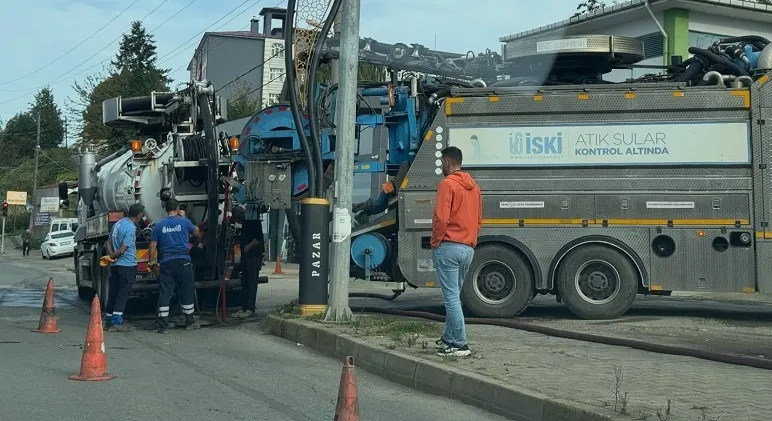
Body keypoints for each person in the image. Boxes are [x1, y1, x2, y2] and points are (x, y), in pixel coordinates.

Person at [430, 146, 482, 357]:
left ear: (446, 162)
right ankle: (448, 339)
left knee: (450, 297)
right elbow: (479, 220)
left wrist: (436, 241)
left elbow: (441, 218)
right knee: (455, 296)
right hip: (467, 248)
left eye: (441, 163)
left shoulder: (447, 184)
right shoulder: (475, 188)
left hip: (449, 247)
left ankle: (460, 344)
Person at [148, 199, 201, 333]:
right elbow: (197, 233)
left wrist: (152, 262)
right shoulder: (184, 221)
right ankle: (190, 321)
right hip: (183, 260)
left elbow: (153, 245)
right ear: (177, 208)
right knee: (186, 290)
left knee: (166, 292)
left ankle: (163, 325)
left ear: (166, 209)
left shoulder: (159, 225)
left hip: (166, 261)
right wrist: (185, 217)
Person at [103, 203, 145, 332]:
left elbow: (107, 242)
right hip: (127, 265)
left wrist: (110, 256)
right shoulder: (130, 228)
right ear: (138, 215)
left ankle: (108, 320)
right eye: (142, 214)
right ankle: (117, 321)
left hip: (116, 266)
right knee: (123, 293)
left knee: (114, 292)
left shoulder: (118, 224)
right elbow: (123, 250)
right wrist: (114, 256)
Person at [232, 206, 264, 319]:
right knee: (245, 281)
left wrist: (247, 247)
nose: (240, 216)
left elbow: (258, 238)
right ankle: (244, 307)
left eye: (240, 213)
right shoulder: (245, 223)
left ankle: (251, 308)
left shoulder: (253, 222)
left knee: (251, 281)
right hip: (246, 257)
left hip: (253, 256)